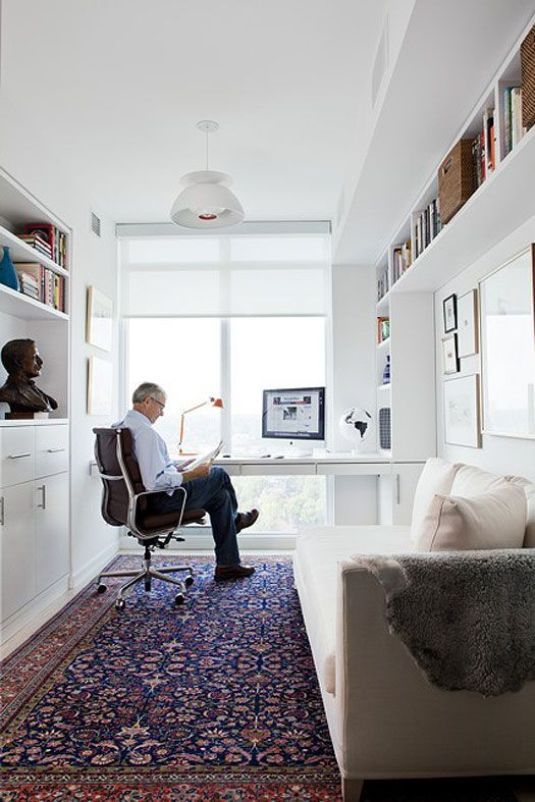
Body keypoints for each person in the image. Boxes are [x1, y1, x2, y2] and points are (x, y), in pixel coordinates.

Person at [113, 382, 259, 580]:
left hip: (137, 502)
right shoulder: (145, 433)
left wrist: (179, 467)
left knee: (221, 497)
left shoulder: (121, 427)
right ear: (148, 401)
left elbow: (147, 470)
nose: (162, 413)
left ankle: (228, 564)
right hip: (161, 501)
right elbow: (154, 483)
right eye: (161, 406)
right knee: (219, 474)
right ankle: (236, 521)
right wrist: (192, 474)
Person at [0, 338, 58, 415]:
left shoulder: (32, 388)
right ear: (18, 362)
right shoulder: (8, 392)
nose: (40, 362)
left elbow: (51, 405)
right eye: (34, 357)